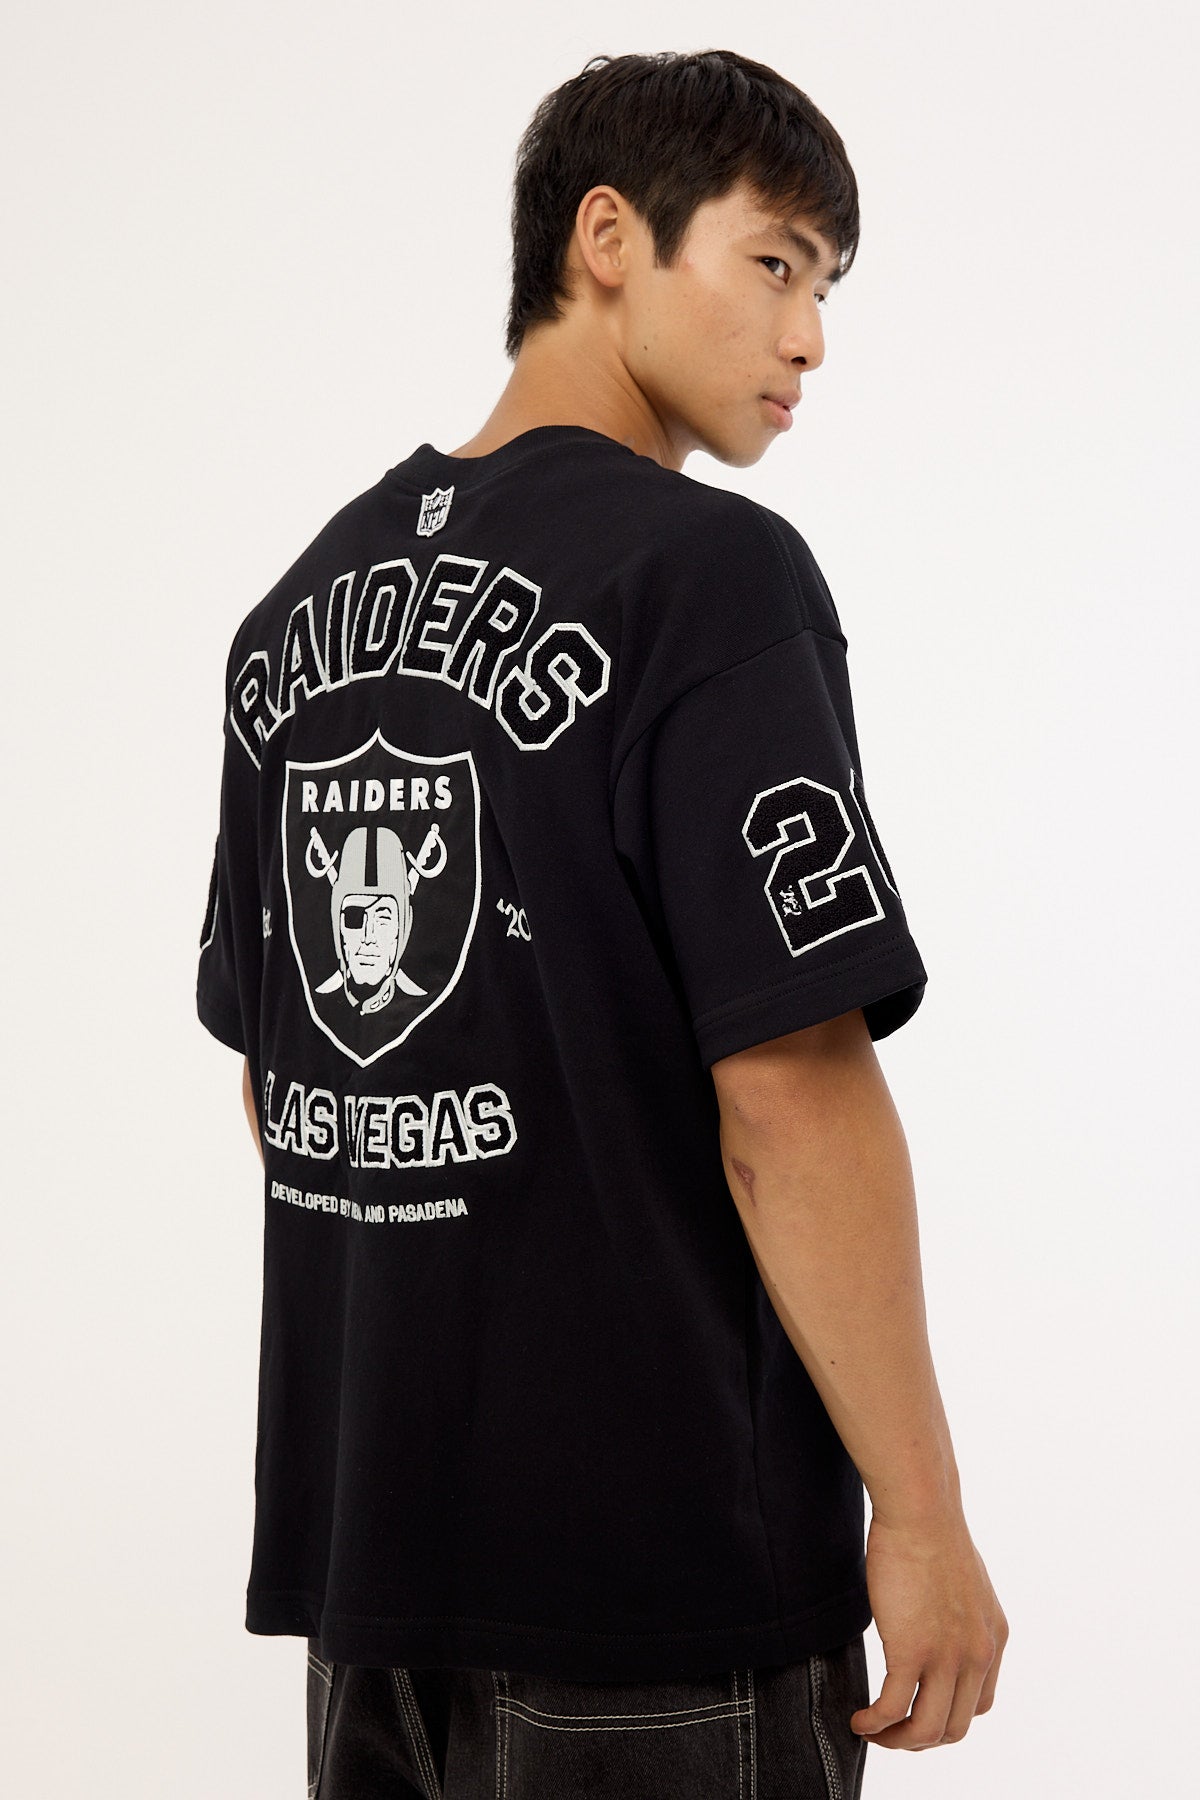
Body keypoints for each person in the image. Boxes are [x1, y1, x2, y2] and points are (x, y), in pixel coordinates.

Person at [196, 46, 1008, 1798]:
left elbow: (285, 1085)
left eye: (827, 288)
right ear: (611, 236)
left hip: (373, 1591)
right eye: (775, 263)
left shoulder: (297, 611)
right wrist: (925, 1516)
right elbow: (790, 1088)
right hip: (661, 1599)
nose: (810, 337)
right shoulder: (706, 574)